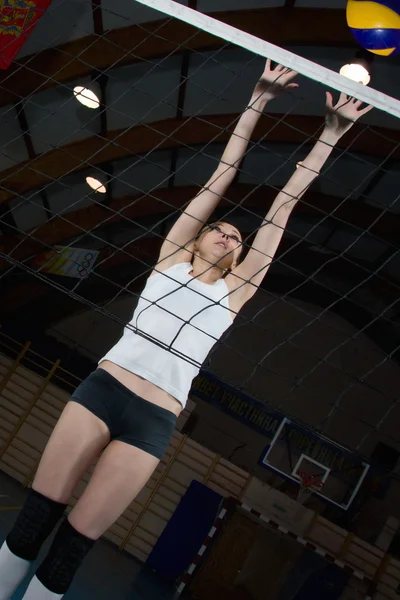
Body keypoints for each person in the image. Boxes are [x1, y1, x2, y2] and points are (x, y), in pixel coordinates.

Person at [0, 60, 372, 599]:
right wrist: (257, 103)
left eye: (235, 238)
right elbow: (222, 174)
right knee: (35, 519)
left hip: (154, 419)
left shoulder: (236, 291)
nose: (226, 236)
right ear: (196, 237)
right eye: (217, 229)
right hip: (103, 391)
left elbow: (283, 208)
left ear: (241, 257)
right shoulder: (170, 257)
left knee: (77, 543)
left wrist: (330, 136)